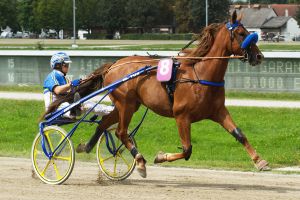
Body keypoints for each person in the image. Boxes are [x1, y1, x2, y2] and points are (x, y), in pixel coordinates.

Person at [43, 52, 114, 119]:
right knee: (79, 104)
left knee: (88, 103)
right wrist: (71, 84)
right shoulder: (52, 76)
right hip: (55, 109)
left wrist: (87, 80)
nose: (68, 67)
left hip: (64, 104)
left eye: (68, 65)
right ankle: (74, 110)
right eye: (66, 65)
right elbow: (57, 90)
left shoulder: (65, 78)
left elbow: (70, 90)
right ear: (58, 65)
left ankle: (111, 110)